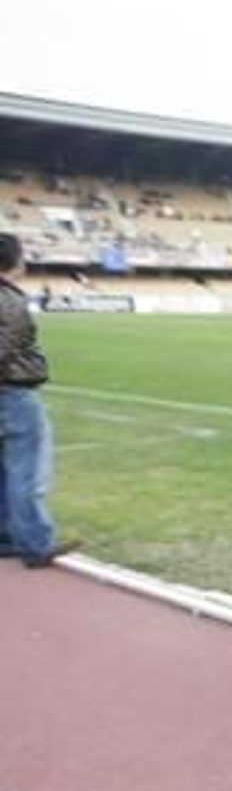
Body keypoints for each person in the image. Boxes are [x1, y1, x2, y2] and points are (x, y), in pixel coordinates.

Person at [0, 233, 79, 568]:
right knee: (27, 471)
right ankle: (35, 544)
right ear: (15, 261)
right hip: (14, 393)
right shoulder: (11, 301)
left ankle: (7, 536)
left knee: (5, 471)